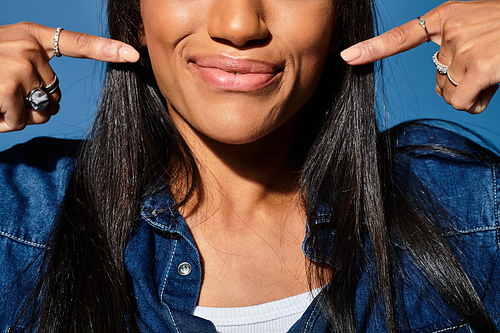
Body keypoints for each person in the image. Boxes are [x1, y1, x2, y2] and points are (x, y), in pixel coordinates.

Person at [0, 0, 499, 332]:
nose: (238, 27)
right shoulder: (16, 224)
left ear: (339, 18)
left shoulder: (473, 214)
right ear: (136, 14)